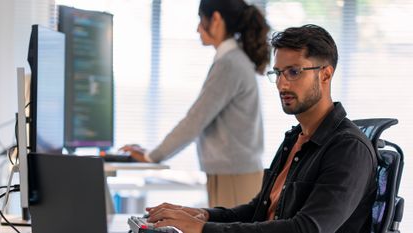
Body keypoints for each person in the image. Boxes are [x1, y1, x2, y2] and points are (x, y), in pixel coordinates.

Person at [142, 24, 378, 233]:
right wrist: (202, 215)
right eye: (278, 73)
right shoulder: (295, 138)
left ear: (325, 75)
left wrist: (203, 229)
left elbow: (307, 228)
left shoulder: (348, 149)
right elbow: (258, 210)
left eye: (294, 72)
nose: (282, 84)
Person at [121, 0, 270, 208]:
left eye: (201, 20)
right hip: (234, 173)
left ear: (216, 19)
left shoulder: (229, 63)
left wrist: (151, 156)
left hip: (235, 176)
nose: (197, 28)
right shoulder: (232, 60)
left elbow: (195, 121)